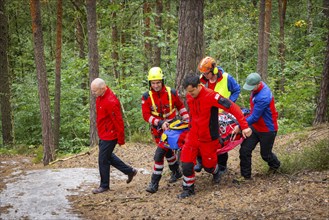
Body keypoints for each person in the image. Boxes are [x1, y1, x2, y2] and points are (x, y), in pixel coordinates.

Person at [178, 74, 252, 199]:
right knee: (186, 164)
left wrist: (244, 126)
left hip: (208, 139)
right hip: (193, 136)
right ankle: (188, 189)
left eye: (192, 91)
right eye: (188, 92)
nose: (190, 94)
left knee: (209, 166)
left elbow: (232, 107)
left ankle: (216, 171)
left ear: (198, 86)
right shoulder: (190, 96)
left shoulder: (211, 96)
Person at [142, 67, 189, 193]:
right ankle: (176, 172)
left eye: (158, 82)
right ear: (150, 83)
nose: (156, 85)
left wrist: (188, 119)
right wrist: (159, 122)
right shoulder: (147, 97)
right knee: (167, 152)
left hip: (173, 129)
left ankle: (154, 182)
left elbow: (180, 106)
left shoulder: (171, 92)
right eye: (153, 83)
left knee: (159, 154)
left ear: (162, 81)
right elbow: (146, 115)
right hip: (158, 129)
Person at [195, 56, 241, 176]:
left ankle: (222, 166)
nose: (204, 75)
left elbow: (236, 89)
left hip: (222, 114)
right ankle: (200, 161)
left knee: (221, 140)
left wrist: (229, 103)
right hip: (207, 114)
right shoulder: (202, 81)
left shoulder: (226, 78)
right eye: (203, 73)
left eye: (206, 73)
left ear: (213, 70)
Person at [90, 78, 137, 194]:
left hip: (110, 135)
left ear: (102, 88)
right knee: (108, 157)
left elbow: (118, 121)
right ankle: (130, 171)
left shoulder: (111, 101)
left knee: (103, 159)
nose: (93, 93)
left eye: (95, 91)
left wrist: (121, 139)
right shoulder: (100, 97)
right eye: (92, 91)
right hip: (103, 133)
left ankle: (104, 185)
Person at [233, 73, 281, 183]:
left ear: (258, 84)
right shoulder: (256, 88)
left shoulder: (263, 96)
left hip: (268, 129)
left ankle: (276, 166)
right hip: (255, 127)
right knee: (244, 150)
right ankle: (246, 177)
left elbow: (255, 116)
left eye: (252, 88)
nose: (250, 90)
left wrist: (240, 126)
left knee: (265, 155)